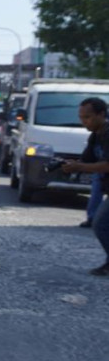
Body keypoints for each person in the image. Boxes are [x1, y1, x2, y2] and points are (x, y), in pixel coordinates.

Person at [61, 97, 109, 275]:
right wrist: (66, 164)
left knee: (101, 223)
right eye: (81, 117)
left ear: (101, 114)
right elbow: (87, 160)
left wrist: (79, 166)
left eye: (87, 117)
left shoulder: (107, 132)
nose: (84, 122)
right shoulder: (95, 135)